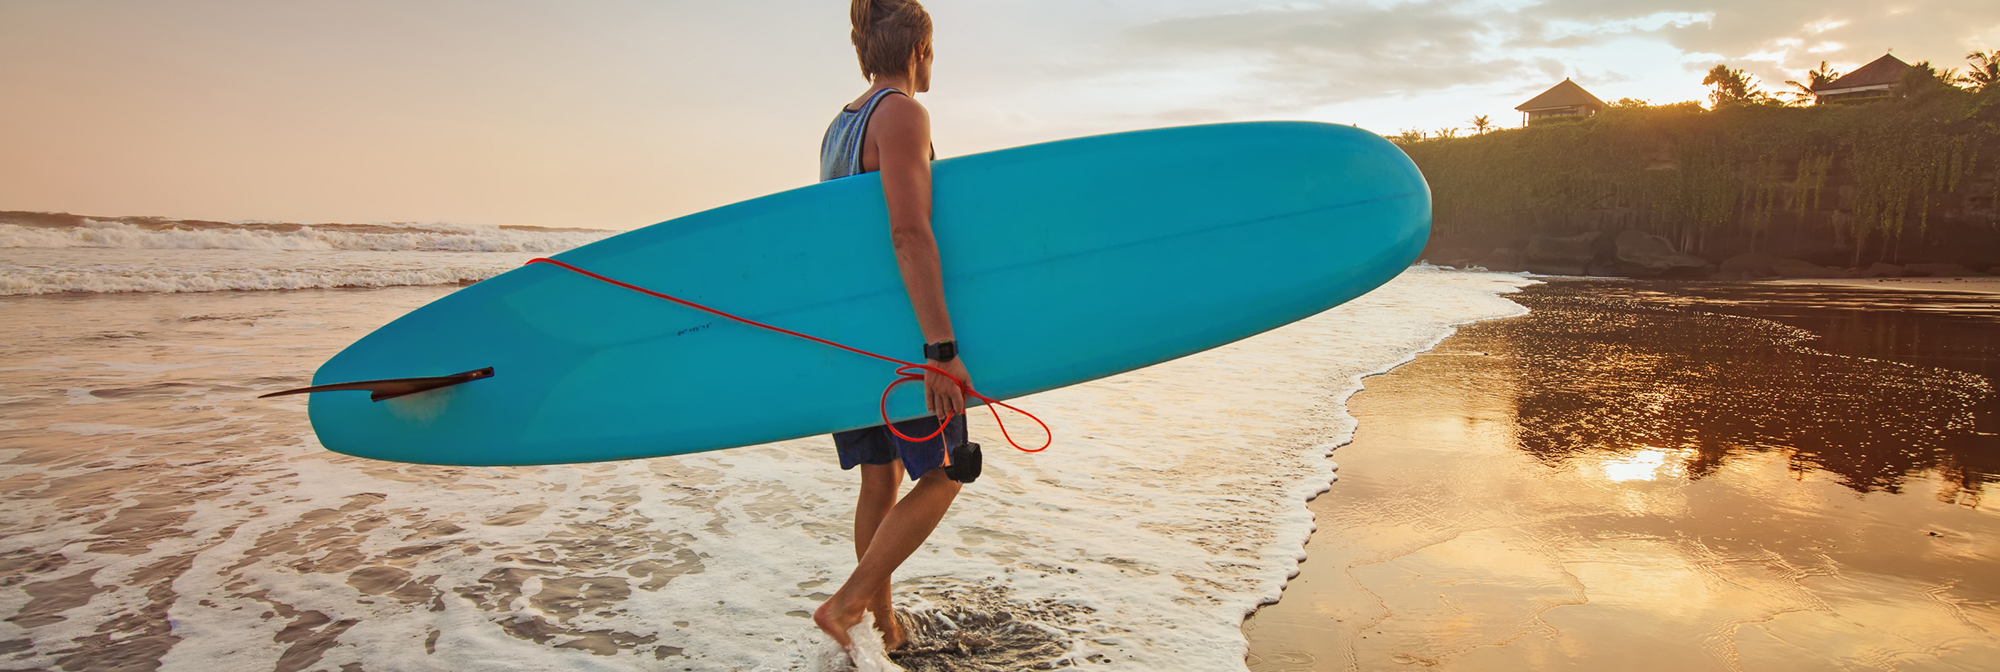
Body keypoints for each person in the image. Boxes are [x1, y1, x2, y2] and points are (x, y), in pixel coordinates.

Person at [811, 0, 968, 653]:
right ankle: (847, 604)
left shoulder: (839, 126)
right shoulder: (902, 113)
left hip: (852, 338)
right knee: (949, 472)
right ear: (917, 49)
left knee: (881, 476)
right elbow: (908, 232)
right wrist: (941, 350)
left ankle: (881, 626)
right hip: (903, 341)